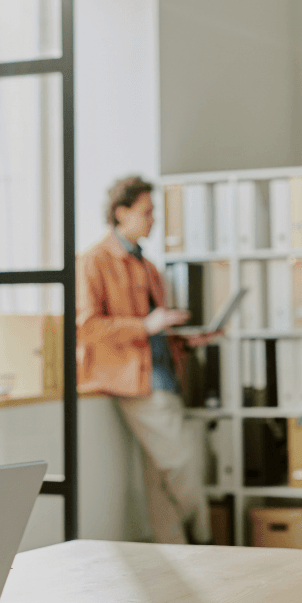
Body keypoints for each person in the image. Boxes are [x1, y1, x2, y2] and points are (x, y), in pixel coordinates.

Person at [76, 175, 214, 545]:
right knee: (181, 464)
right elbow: (86, 327)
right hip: (136, 384)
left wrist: (187, 340)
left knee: (160, 482)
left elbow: (155, 333)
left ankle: (178, 557)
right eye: (147, 212)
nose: (154, 220)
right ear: (121, 213)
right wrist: (146, 324)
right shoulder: (93, 261)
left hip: (165, 378)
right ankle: (207, 541)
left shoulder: (148, 266)